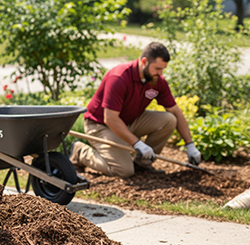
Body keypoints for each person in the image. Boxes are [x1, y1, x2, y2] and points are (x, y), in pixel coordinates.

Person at [70, 42, 201, 178]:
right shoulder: (119, 77)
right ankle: (80, 153)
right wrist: (137, 143)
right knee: (124, 171)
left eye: (163, 69)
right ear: (144, 61)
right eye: (157, 68)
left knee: (169, 120)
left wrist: (190, 144)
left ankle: (142, 165)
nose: (160, 73)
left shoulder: (156, 80)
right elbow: (110, 118)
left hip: (128, 121)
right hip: (101, 126)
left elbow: (175, 111)